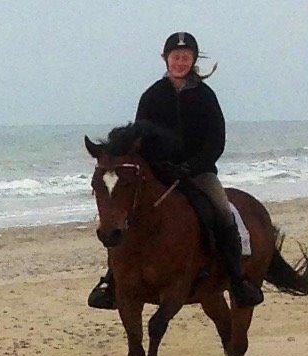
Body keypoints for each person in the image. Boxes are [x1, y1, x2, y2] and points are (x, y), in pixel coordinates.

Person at [88, 31, 263, 311]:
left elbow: (216, 140)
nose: (180, 62)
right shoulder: (151, 95)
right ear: (165, 58)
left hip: (198, 173)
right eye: (175, 56)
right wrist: (154, 166)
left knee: (222, 212)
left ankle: (238, 280)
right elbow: (138, 139)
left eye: (186, 57)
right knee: (124, 214)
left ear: (193, 60)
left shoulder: (205, 97)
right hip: (159, 173)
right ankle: (111, 281)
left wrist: (193, 166)